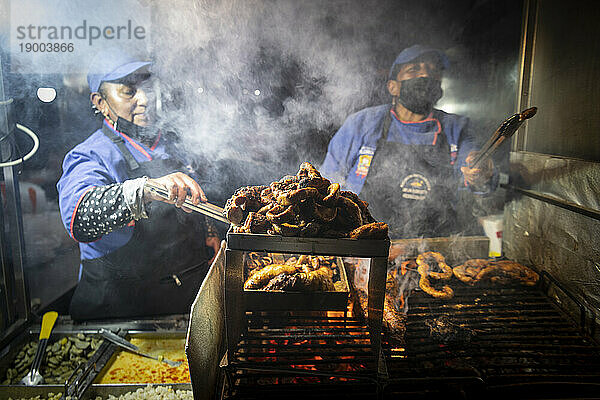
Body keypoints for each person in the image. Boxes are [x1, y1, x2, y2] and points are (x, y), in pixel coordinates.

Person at [57, 49, 220, 320]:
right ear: (100, 102)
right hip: (121, 317)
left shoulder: (171, 146)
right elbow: (79, 218)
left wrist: (208, 231)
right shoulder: (90, 155)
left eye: (147, 87)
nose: (144, 99)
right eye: (128, 91)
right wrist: (145, 190)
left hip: (183, 309)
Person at [321, 45, 496, 239]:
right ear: (393, 87)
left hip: (435, 246)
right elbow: (327, 183)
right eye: (414, 69)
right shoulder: (362, 124)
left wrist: (479, 173)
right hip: (364, 243)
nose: (425, 76)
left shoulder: (457, 127)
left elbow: (476, 172)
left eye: (433, 70)